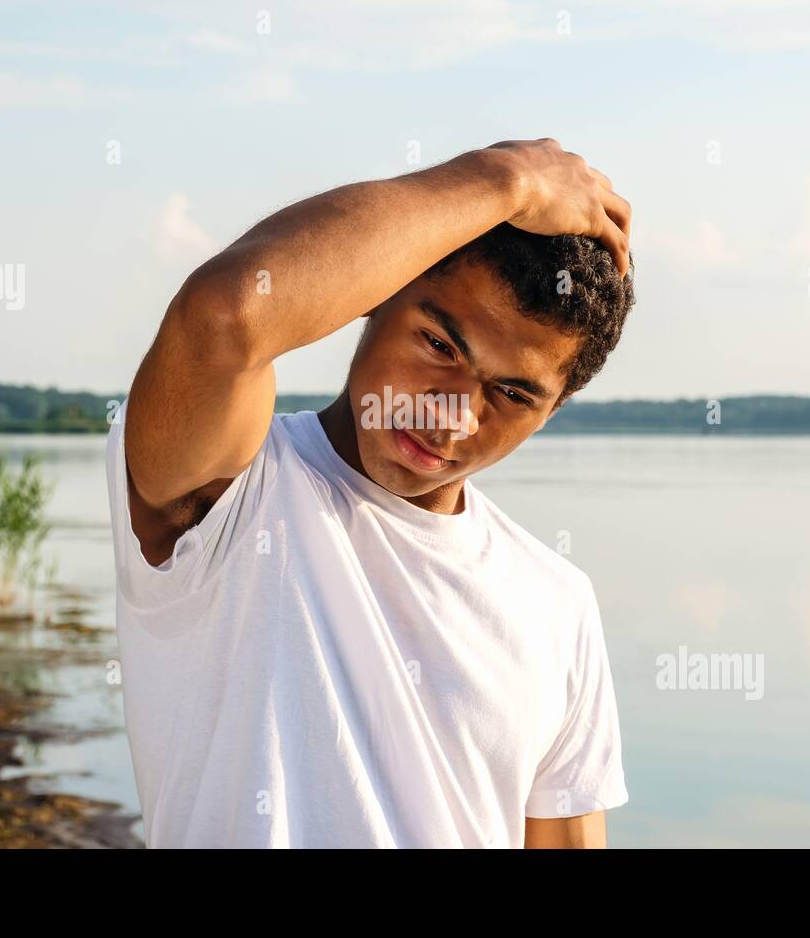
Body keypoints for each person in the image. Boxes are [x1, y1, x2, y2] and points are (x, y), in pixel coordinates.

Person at [107, 138, 635, 847]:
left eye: (511, 393)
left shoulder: (557, 601)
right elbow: (227, 313)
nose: (452, 415)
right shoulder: (236, 495)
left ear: (553, 410)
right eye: (439, 346)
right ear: (375, 296)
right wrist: (504, 180)